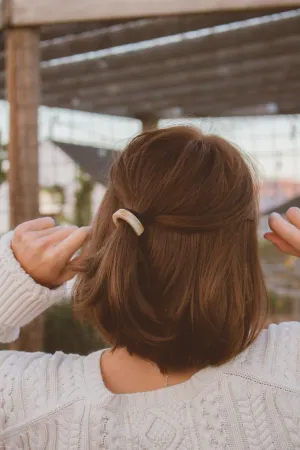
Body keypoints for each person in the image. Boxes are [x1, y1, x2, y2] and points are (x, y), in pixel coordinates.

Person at [0, 125, 299, 449]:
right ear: (238, 253)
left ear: (109, 230)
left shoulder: (25, 402)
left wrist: (13, 281)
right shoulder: (288, 370)